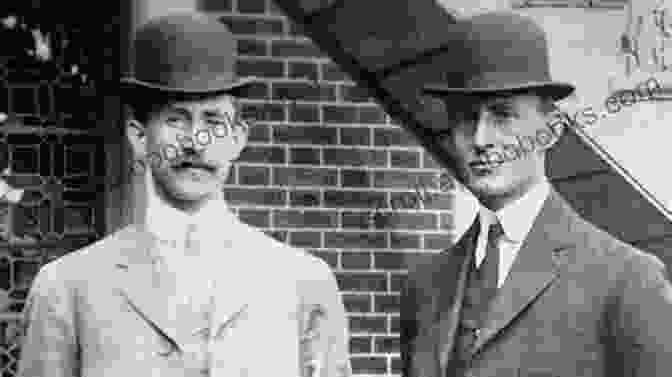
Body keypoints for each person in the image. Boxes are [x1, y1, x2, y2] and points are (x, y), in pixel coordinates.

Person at [18, 12, 351, 377]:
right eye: (176, 119)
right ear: (139, 138)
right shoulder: (66, 289)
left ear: (238, 138)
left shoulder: (303, 284)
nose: (195, 142)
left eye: (212, 121)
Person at [401, 11, 672, 377]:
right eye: (466, 117)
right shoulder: (425, 287)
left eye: (502, 115)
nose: (481, 140)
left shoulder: (626, 281)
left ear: (552, 129)